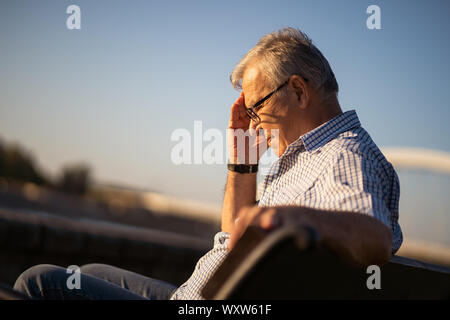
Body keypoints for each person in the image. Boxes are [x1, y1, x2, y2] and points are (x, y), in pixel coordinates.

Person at [13, 27, 402, 300]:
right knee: (91, 274)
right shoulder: (302, 157)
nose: (253, 120)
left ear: (298, 91)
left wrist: (290, 219)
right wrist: (242, 161)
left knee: (40, 283)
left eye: (257, 107)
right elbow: (234, 234)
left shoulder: (343, 154)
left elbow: (375, 238)